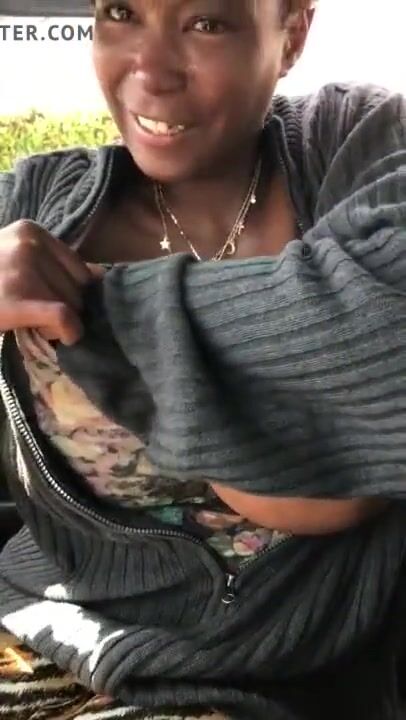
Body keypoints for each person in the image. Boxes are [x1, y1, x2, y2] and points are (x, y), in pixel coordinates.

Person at [0, 0, 406, 718]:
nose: (150, 71)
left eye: (207, 22)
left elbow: (385, 331)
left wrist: (106, 311)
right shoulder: (34, 202)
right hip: (66, 639)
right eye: (120, 12)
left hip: (332, 660)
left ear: (292, 34)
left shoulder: (355, 139)